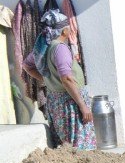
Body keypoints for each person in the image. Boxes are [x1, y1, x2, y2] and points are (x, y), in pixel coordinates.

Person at [23, 10, 96, 149]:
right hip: (69, 105)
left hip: (56, 103)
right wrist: (82, 106)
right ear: (64, 31)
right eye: (68, 26)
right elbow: (67, 79)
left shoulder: (43, 47)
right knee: (79, 147)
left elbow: (27, 66)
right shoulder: (60, 48)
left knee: (65, 145)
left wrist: (46, 79)